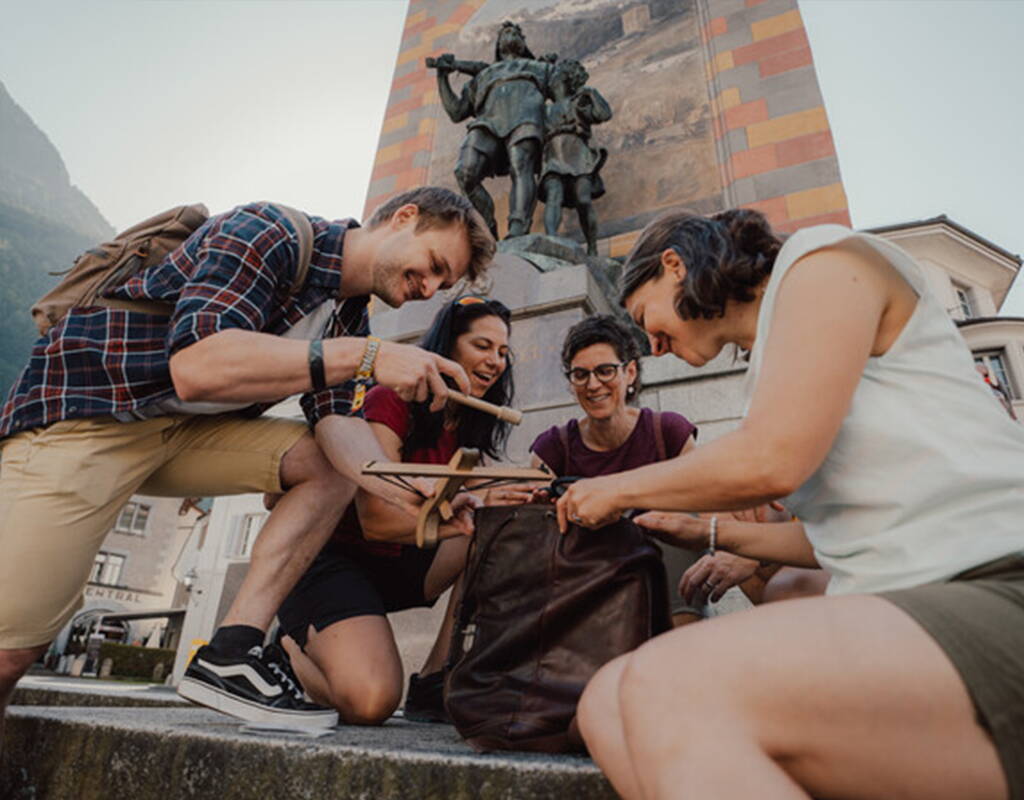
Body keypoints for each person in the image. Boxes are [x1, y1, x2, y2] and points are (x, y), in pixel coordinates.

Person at [555, 208, 1024, 799]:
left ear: (674, 266)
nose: (650, 343)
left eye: (645, 316)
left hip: (995, 584)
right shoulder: (772, 367)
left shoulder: (824, 261)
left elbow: (772, 458)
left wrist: (617, 487)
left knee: (664, 685)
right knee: (604, 704)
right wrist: (704, 532)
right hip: (899, 599)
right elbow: (837, 537)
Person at [0, 186, 495, 736]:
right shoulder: (271, 231)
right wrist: (371, 357)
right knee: (9, 653)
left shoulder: (349, 317)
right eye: (431, 266)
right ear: (404, 217)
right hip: (86, 417)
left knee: (322, 461)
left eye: (441, 285)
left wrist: (409, 492)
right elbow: (199, 366)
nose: (427, 290)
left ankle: (232, 652)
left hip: (184, 432)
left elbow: (338, 430)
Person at [273, 295, 517, 726]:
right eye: (482, 346)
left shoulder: (467, 422)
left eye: (502, 352)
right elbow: (378, 520)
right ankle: (287, 650)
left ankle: (436, 681)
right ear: (447, 348)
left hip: (398, 565)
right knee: (370, 702)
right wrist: (452, 517)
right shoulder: (390, 400)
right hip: (332, 562)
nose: (495, 361)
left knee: (497, 524)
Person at [528, 314, 702, 626]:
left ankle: (681, 645)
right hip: (587, 576)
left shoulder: (669, 432)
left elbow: (706, 496)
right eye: (580, 375)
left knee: (681, 518)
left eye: (605, 371)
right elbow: (538, 534)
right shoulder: (552, 448)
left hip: (665, 567)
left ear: (630, 372)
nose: (593, 385)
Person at [430, 21, 555, 238]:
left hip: (526, 117)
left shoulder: (540, 68)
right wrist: (442, 77)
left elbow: (566, 95)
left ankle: (518, 228)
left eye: (516, 32)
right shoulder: (483, 75)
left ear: (524, 44)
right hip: (487, 124)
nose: (510, 34)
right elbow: (456, 112)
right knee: (465, 172)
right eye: (506, 32)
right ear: (497, 45)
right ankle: (488, 229)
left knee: (521, 165)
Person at [539, 59, 612, 256]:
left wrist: (591, 94)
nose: (551, 82)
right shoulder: (544, 109)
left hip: (578, 154)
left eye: (554, 77)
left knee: (583, 200)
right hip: (554, 155)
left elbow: (604, 114)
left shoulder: (578, 102)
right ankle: (552, 238)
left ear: (564, 79)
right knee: (554, 193)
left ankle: (592, 247)